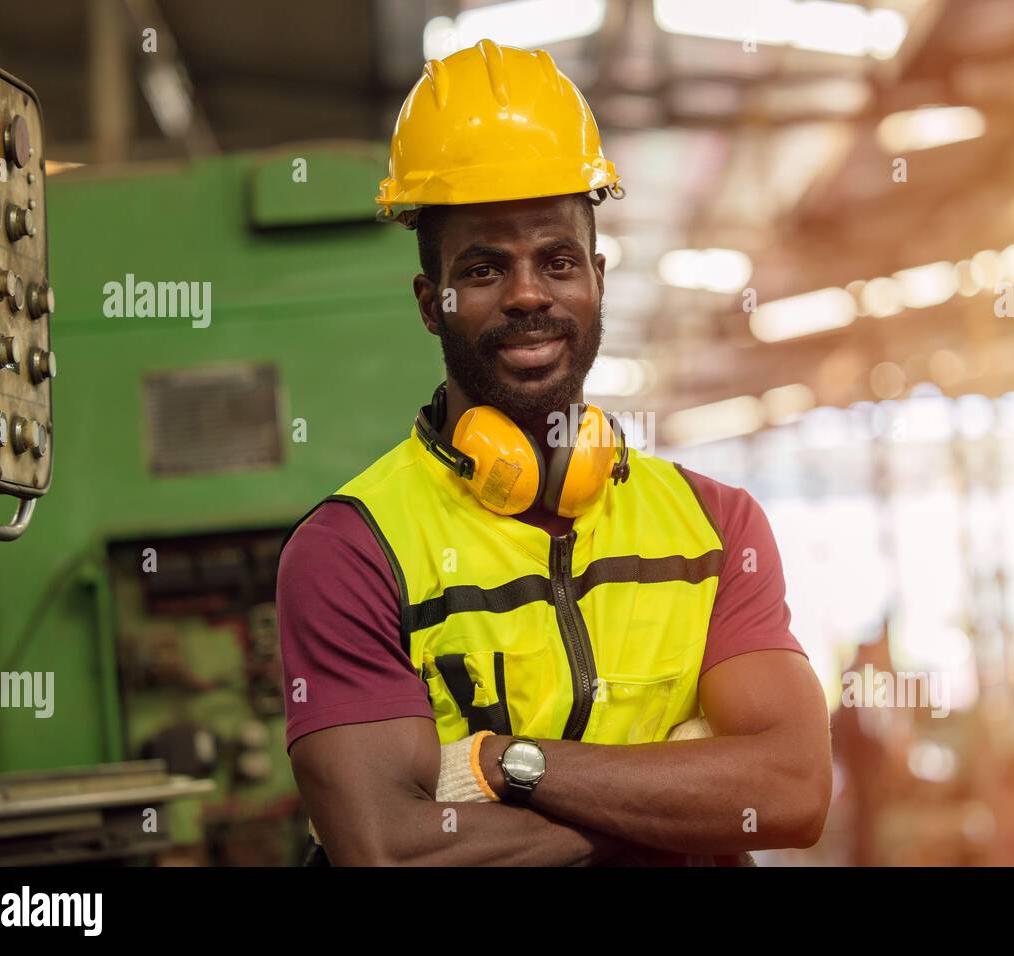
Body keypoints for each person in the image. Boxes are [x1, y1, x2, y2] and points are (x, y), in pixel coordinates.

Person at [278, 38, 831, 866]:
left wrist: (504, 765)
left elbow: (791, 793)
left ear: (599, 278)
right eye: (486, 268)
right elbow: (391, 849)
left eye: (558, 260)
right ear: (433, 303)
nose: (530, 293)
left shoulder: (715, 528)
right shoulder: (351, 551)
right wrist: (682, 799)